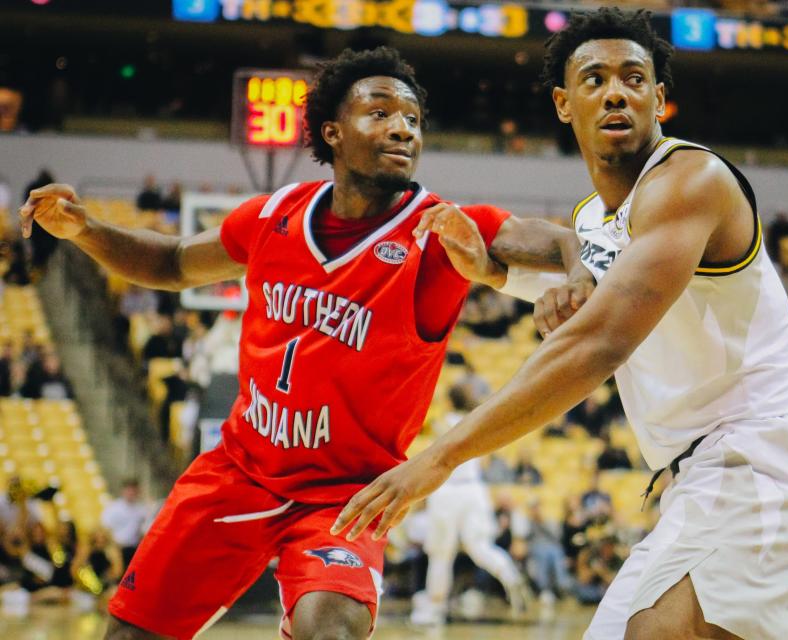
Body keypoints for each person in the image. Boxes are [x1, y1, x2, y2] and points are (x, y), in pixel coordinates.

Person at [20, 47, 589, 640]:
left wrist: (578, 270)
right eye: (381, 113)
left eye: (414, 119)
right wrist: (84, 229)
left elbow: (555, 240)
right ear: (333, 134)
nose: (402, 127)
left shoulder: (441, 230)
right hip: (241, 470)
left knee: (332, 631)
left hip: (345, 496)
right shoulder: (276, 214)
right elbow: (172, 261)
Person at [333, 10, 788, 640]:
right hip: (704, 477)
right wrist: (491, 272)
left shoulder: (690, 179)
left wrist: (439, 459)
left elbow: (600, 341)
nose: (615, 91)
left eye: (634, 78)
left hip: (762, 461)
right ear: (562, 102)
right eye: (595, 78)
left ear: (659, 98)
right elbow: (583, 272)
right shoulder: (595, 222)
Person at [410, 386, 527, 626]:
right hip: (475, 490)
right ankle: (510, 575)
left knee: (441, 553)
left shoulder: (442, 424)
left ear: (450, 401)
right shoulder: (476, 421)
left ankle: (435, 607)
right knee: (480, 547)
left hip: (448, 491)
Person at [100, 479, 150, 570]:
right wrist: (114, 545)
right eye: (129, 490)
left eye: (133, 490)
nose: (131, 493)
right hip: (117, 548)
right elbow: (105, 529)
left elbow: (142, 531)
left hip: (134, 548)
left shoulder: (142, 510)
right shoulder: (113, 508)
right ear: (123, 491)